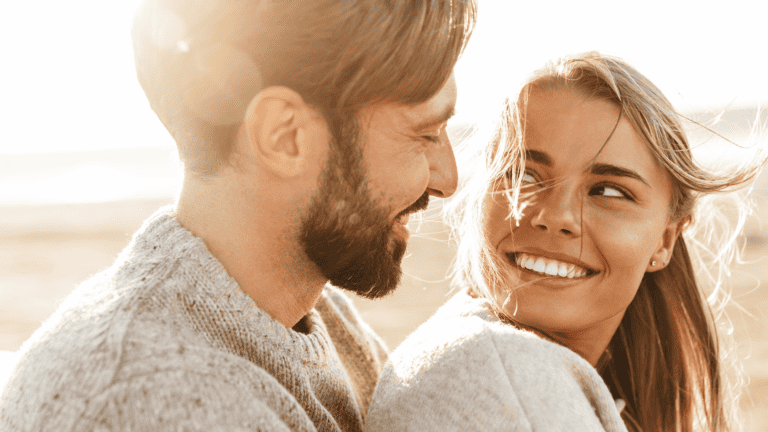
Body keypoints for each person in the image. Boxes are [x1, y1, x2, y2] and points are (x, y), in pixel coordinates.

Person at [0, 0, 476, 430]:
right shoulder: (152, 400)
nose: (448, 179)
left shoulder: (315, 311)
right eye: (425, 135)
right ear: (284, 136)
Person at [367, 52, 765, 431]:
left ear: (664, 241)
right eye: (523, 175)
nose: (555, 217)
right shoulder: (497, 372)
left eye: (607, 191)